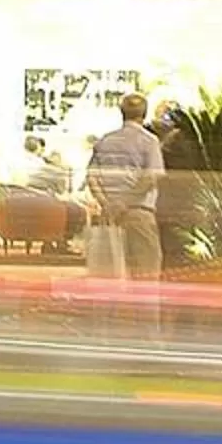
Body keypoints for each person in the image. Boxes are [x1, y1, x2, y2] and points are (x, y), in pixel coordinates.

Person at [82, 91, 165, 297]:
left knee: (109, 279)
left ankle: (110, 325)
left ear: (122, 113)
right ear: (144, 114)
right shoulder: (149, 141)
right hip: (139, 214)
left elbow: (92, 177)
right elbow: (151, 177)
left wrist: (107, 204)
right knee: (146, 278)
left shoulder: (105, 141)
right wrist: (123, 203)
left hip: (108, 218)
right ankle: (144, 326)